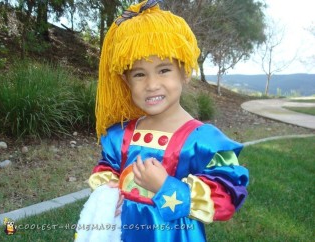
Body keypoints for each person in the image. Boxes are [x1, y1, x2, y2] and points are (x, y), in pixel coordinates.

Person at [81, 0, 249, 241]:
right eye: (139, 74)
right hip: (121, 231)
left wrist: (166, 187)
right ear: (126, 81)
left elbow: (226, 196)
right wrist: (108, 194)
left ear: (185, 72)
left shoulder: (203, 142)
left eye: (164, 70)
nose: (151, 85)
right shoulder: (119, 136)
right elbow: (107, 168)